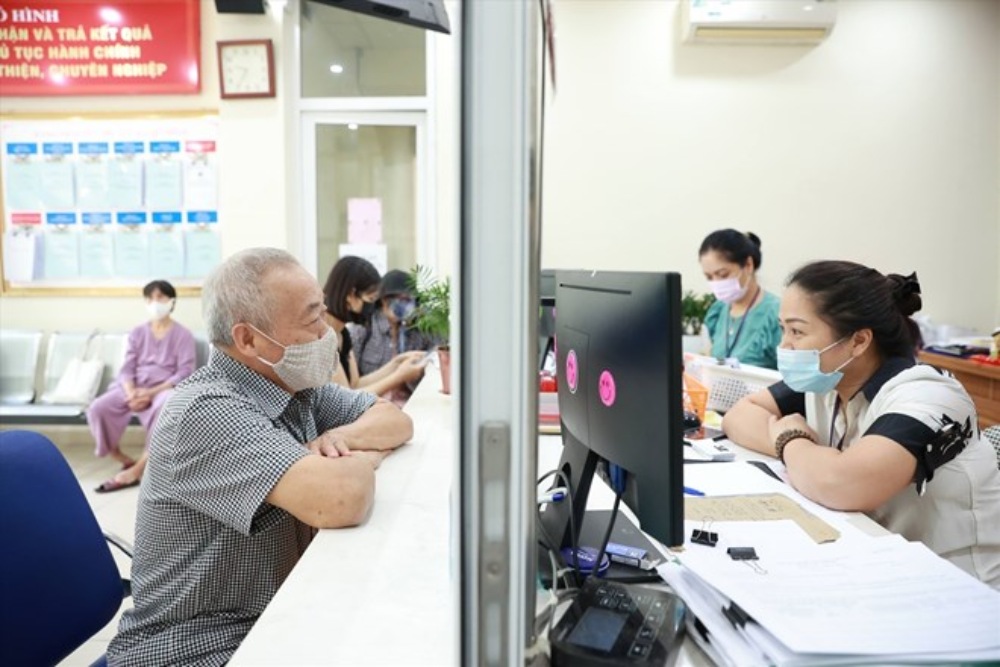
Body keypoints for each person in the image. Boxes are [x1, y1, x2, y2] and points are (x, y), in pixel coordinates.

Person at [106, 248, 413, 666]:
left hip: (272, 619)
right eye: (312, 319)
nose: (326, 332)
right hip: (199, 647)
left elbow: (394, 420)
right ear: (248, 339)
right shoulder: (205, 410)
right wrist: (365, 458)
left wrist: (341, 438)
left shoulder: (294, 385)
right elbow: (345, 497)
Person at [722, 260, 1000, 588]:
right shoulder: (828, 380)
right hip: (877, 563)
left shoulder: (927, 395)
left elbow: (843, 485)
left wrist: (790, 440)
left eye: (797, 332)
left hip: (957, 584)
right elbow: (739, 415)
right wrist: (805, 457)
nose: (784, 346)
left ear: (858, 341)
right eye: (783, 329)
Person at [88, 280, 196, 493]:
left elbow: (185, 372)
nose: (155, 302)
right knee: (98, 408)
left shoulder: (183, 335)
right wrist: (131, 393)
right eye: (150, 298)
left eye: (160, 297)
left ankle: (139, 468)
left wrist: (151, 392)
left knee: (167, 406)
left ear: (172, 301)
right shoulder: (137, 332)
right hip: (133, 387)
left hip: (163, 389)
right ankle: (118, 455)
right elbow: (127, 367)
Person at [322, 256, 427, 396]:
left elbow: (356, 385)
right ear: (351, 295)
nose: (372, 307)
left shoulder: (343, 334)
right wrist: (399, 377)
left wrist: (395, 364)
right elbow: (345, 401)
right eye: (371, 299)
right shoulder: (322, 337)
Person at [698, 229, 781, 369]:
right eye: (709, 277)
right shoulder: (718, 311)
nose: (716, 282)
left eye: (723, 274)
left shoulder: (776, 314)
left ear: (748, 265)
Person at [350, 268, 433, 404]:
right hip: (373, 404)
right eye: (400, 299)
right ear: (384, 300)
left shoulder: (419, 329)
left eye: (409, 300)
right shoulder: (362, 329)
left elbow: (441, 351)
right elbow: (351, 385)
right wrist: (399, 375)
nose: (405, 305)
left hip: (411, 404)